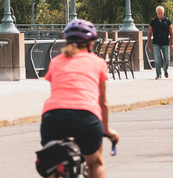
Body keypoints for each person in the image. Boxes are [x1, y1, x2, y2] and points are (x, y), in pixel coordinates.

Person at [40, 19, 118, 178]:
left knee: (54, 163)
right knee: (95, 163)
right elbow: (102, 102)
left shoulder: (55, 62)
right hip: (86, 118)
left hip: (53, 118)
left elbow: (56, 92)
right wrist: (107, 130)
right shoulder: (98, 62)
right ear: (90, 44)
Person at [147, 6, 173, 79]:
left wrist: (172, 43)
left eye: (161, 13)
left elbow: (171, 32)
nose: (160, 14)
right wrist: (149, 44)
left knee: (167, 59)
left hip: (165, 43)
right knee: (157, 59)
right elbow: (149, 33)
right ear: (156, 13)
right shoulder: (153, 21)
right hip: (156, 43)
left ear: (163, 13)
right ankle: (158, 74)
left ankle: (165, 70)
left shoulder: (167, 20)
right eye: (159, 13)